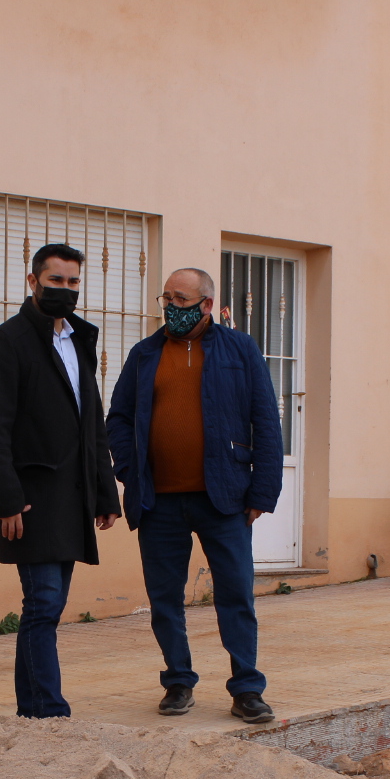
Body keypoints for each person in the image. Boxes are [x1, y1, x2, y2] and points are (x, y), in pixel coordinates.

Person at [106, 268, 282, 724]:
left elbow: (265, 421)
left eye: (179, 299)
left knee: (236, 595)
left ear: (205, 304)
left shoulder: (239, 350)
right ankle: (178, 681)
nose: (170, 308)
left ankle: (247, 689)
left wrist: (262, 490)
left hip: (223, 498)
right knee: (165, 598)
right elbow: (119, 418)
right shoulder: (144, 354)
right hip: (158, 500)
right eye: (166, 298)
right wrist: (129, 469)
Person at [0, 244, 120, 718]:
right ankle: (43, 710)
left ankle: (40, 706)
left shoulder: (78, 341)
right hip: (31, 502)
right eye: (56, 281)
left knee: (50, 607)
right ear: (33, 282)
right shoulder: (6, 343)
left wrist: (104, 491)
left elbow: (90, 422)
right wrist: (6, 500)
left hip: (71, 500)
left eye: (73, 283)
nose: (65, 290)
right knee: (42, 603)